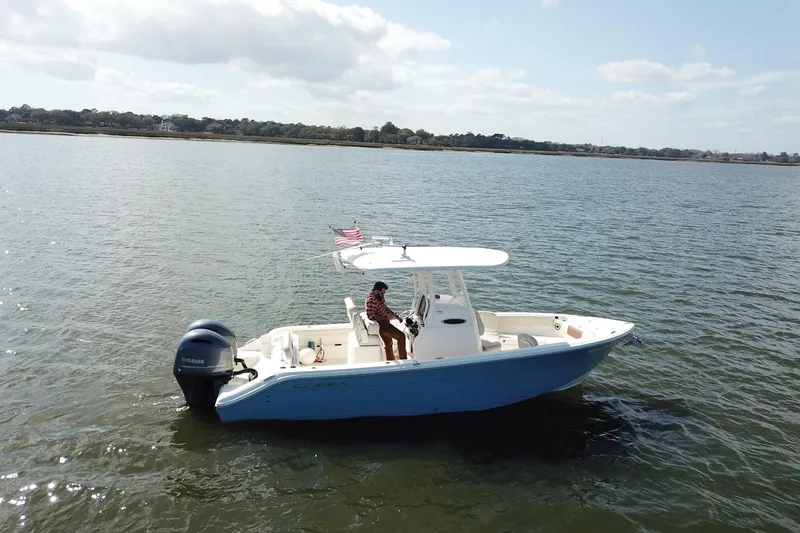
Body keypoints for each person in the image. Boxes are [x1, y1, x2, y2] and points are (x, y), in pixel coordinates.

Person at [365, 281, 408, 360]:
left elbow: (384, 307)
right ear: (377, 291)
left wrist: (394, 315)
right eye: (383, 292)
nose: (384, 294)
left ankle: (390, 360)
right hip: (381, 325)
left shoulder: (379, 297)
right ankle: (403, 359)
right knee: (401, 336)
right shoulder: (371, 300)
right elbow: (371, 316)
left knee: (388, 343)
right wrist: (385, 317)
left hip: (385, 321)